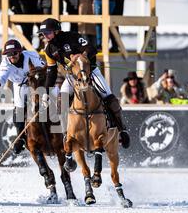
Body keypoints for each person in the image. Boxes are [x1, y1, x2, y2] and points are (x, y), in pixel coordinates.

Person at [38, 17, 130, 150]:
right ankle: (66, 134)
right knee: (61, 102)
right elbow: (51, 72)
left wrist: (82, 56)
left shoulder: (72, 37)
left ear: (56, 31)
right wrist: (46, 92)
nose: (45, 35)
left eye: (47, 32)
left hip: (91, 73)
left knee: (108, 96)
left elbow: (92, 48)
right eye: (43, 33)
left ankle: (122, 130)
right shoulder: (48, 50)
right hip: (72, 77)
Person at [0, 39, 46, 154]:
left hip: (37, 83)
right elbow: (2, 76)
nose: (12, 56)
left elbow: (43, 69)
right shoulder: (5, 63)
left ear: (20, 52)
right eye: (9, 54)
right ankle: (20, 138)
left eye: (14, 53)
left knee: (54, 97)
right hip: (20, 86)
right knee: (19, 107)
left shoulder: (32, 56)